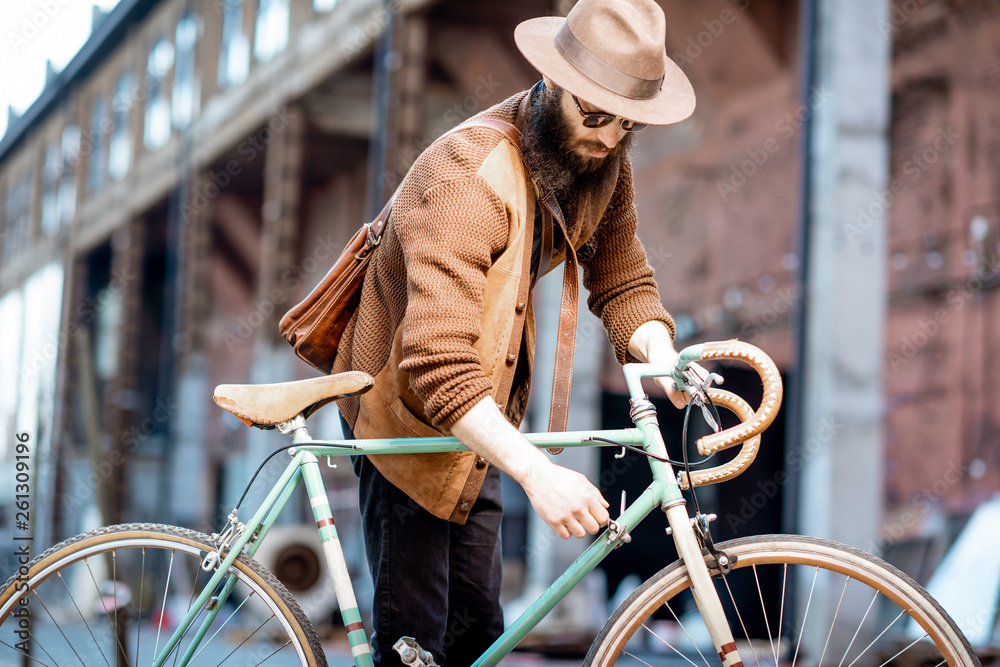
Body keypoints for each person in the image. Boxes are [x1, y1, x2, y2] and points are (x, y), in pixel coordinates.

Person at [332, 0, 698, 664]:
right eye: (596, 114)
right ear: (556, 82)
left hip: (480, 416)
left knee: (479, 638)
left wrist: (665, 359)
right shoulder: (467, 177)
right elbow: (434, 362)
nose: (611, 136)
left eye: (628, 120)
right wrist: (539, 473)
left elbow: (622, 280)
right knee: (417, 643)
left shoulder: (600, 161)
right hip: (409, 416)